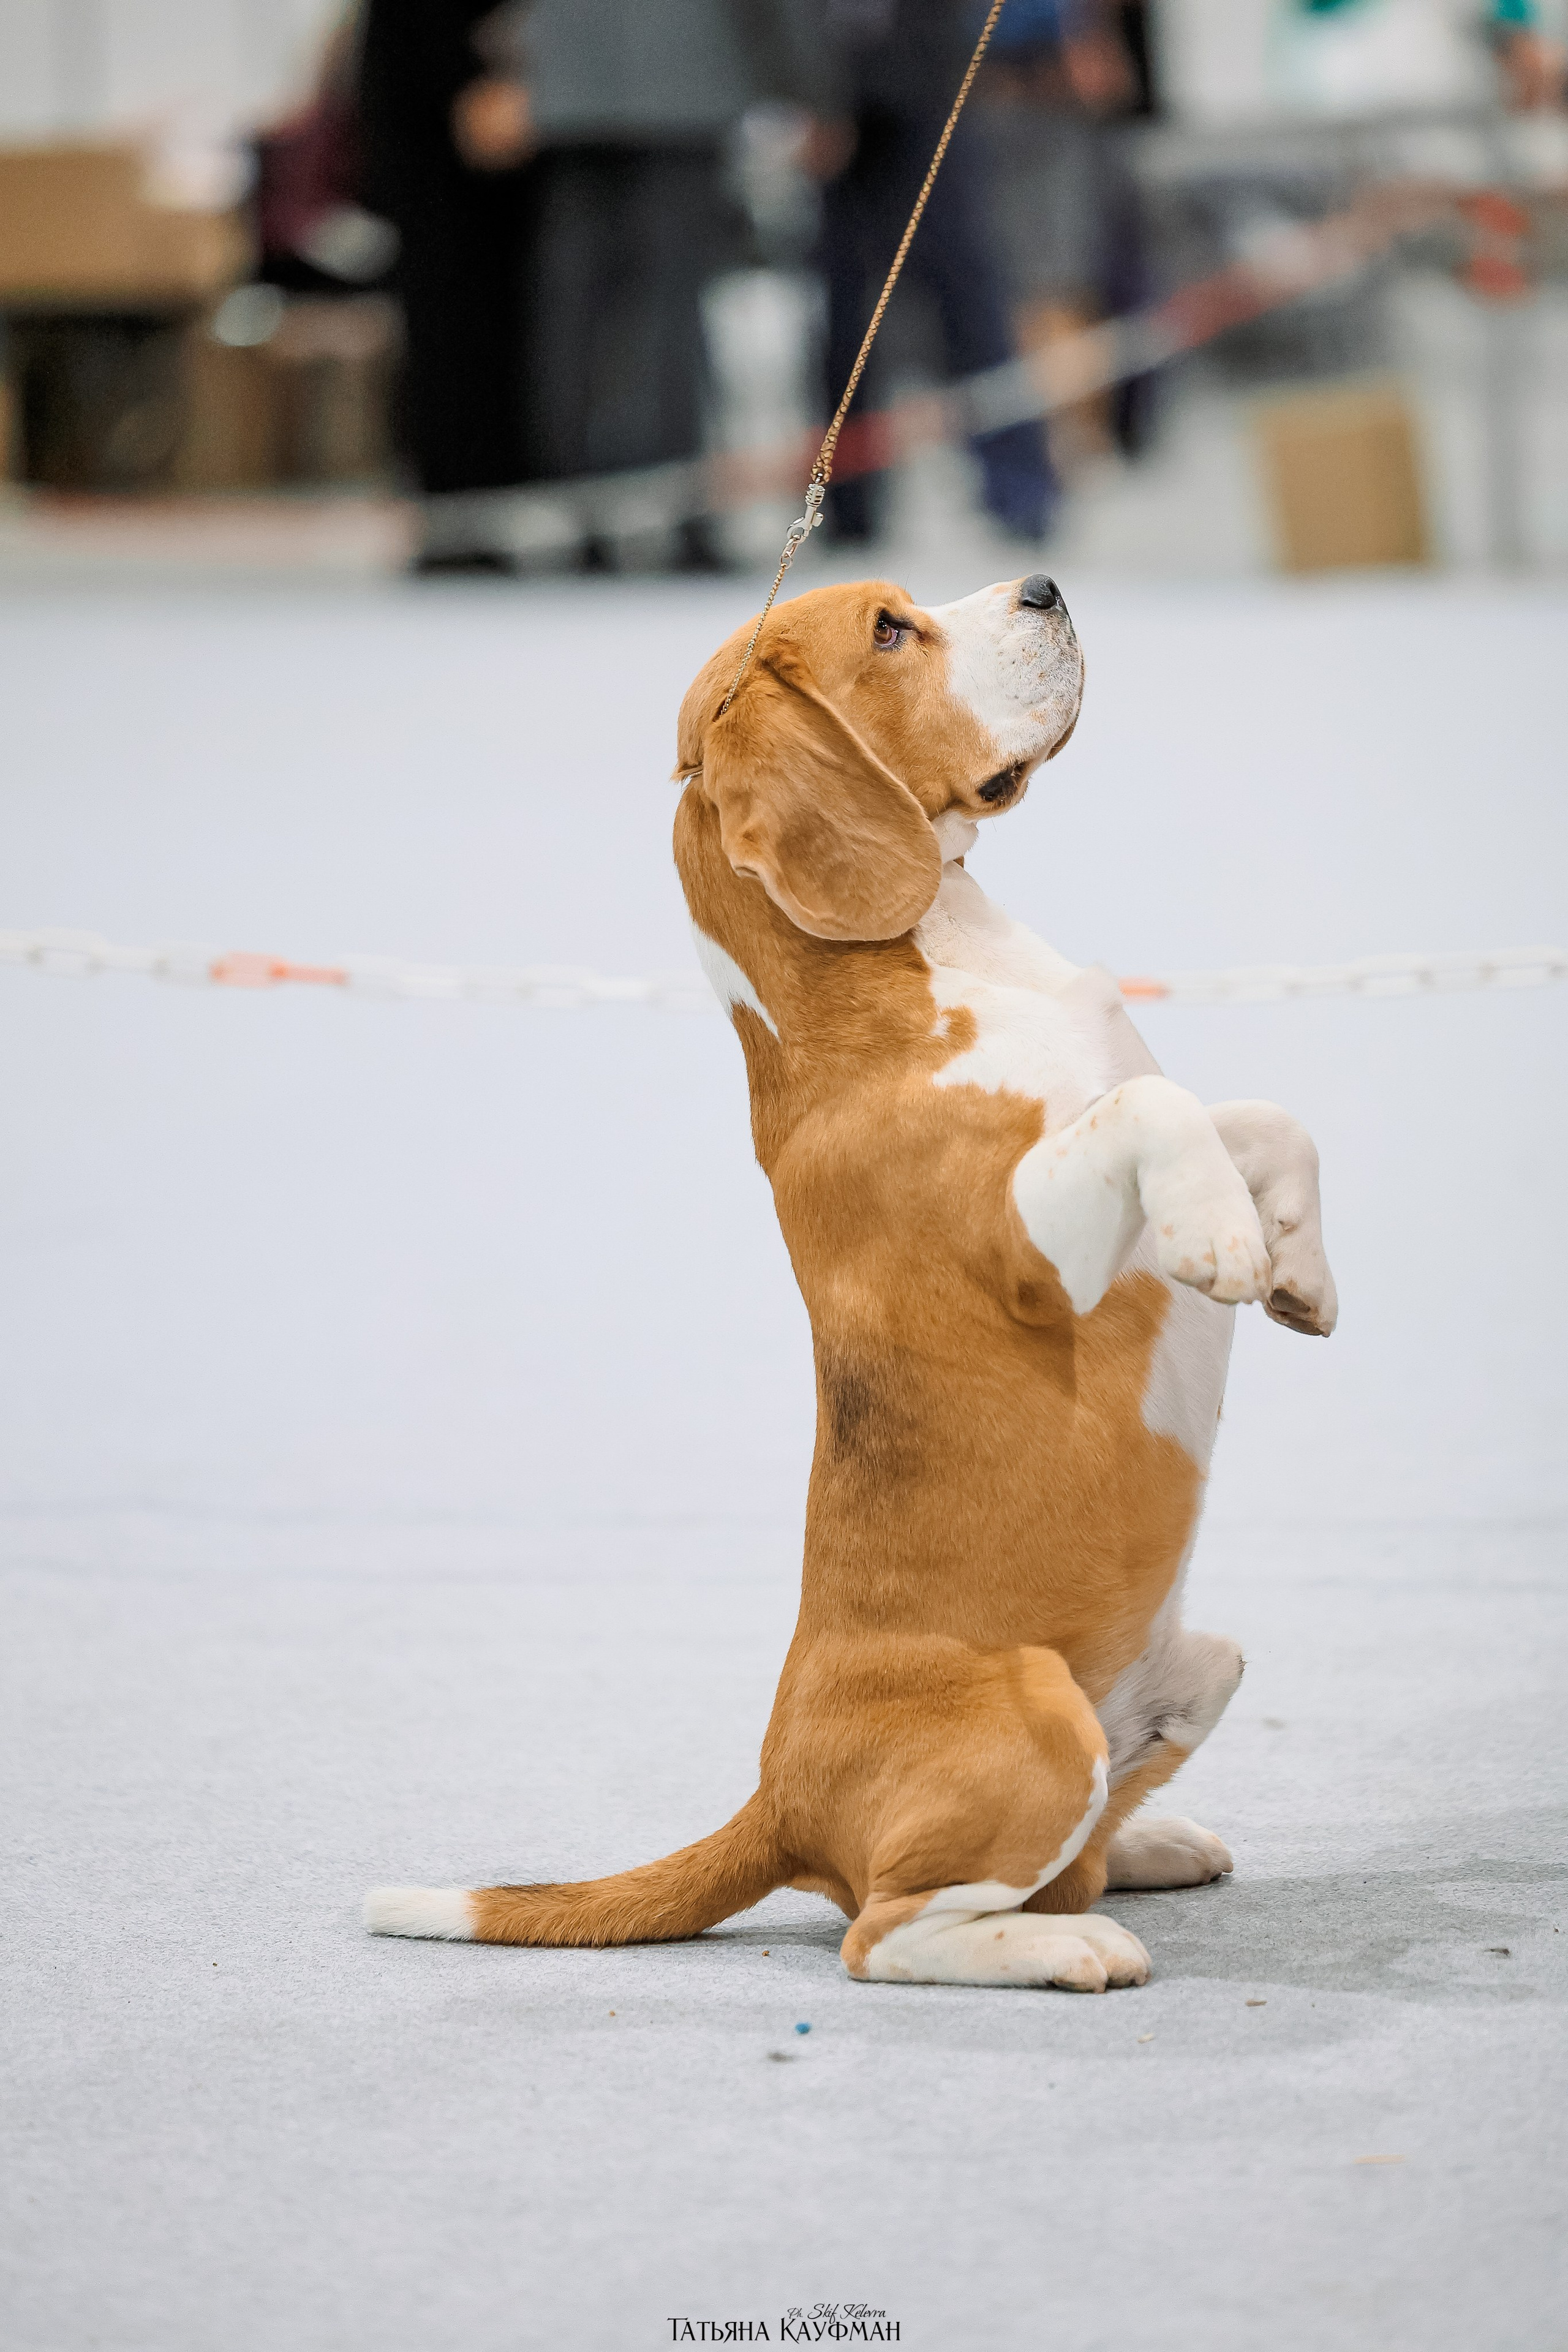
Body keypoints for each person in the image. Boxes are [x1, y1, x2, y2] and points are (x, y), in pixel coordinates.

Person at [450, 0, 833, 570]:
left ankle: (583, 521)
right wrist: (810, 86)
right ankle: (675, 520)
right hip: (685, 83)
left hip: (570, 89)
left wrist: (502, 64)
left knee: (574, 314)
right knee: (668, 315)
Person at [815, 0, 1060, 545]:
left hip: (926, 81)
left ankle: (1019, 488)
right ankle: (846, 506)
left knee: (971, 299)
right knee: (847, 314)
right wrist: (809, 93)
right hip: (836, 91)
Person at [357, 0, 541, 569]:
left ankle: (485, 521)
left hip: (503, 131)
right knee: (450, 329)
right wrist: (464, 84)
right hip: (440, 129)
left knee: (507, 329)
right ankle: (460, 525)